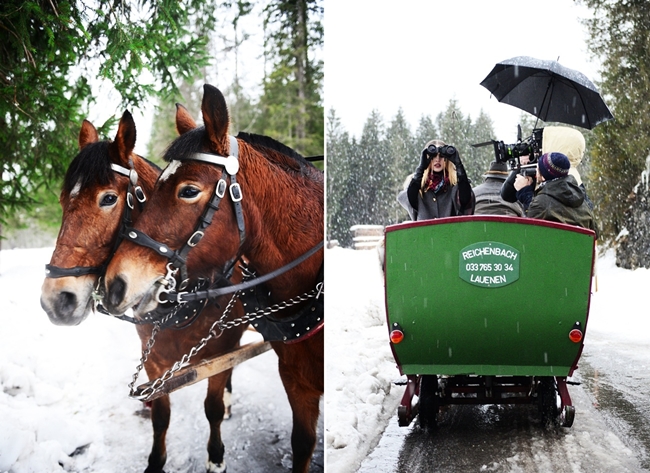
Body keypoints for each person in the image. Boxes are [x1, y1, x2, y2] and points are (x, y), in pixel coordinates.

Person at [513, 151, 597, 233]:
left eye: (538, 169)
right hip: (580, 246)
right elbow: (595, 232)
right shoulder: (581, 198)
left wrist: (524, 192)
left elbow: (529, 229)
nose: (535, 171)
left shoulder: (542, 202)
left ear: (543, 177)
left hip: (553, 246)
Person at [397, 139, 474, 220]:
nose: (437, 160)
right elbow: (411, 200)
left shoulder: (455, 184)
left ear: (447, 159)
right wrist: (421, 167)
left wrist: (458, 165)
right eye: (433, 156)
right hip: (425, 232)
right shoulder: (419, 186)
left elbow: (466, 200)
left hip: (451, 231)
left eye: (441, 156)